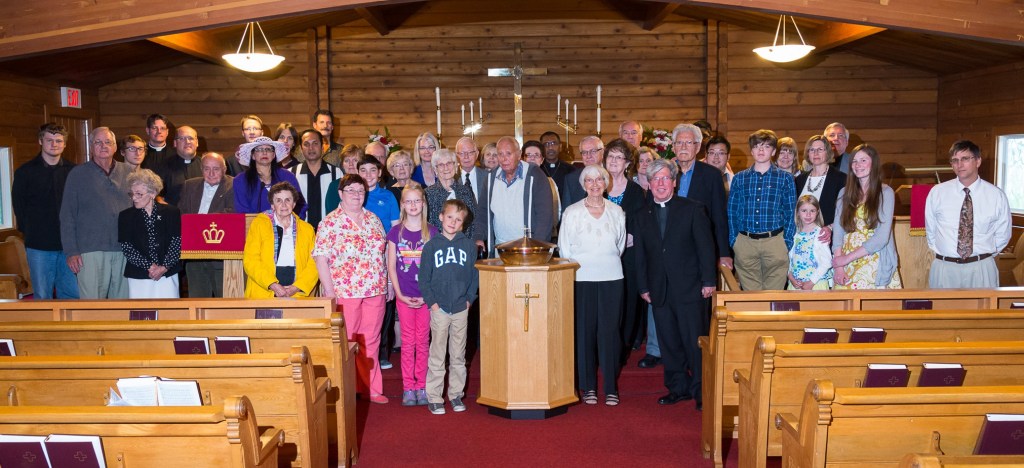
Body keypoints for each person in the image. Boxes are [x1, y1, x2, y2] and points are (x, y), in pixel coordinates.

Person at [633, 159, 716, 410]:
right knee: (669, 343)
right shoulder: (640, 215)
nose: (660, 183)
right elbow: (640, 255)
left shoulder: (692, 209)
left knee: (695, 343)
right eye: (655, 179)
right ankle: (678, 387)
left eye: (665, 178)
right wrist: (643, 286)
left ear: (674, 182)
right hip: (659, 290)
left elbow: (705, 248)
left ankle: (702, 391)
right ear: (648, 183)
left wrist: (709, 281)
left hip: (690, 288)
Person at [314, 174, 390, 404]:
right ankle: (347, 390)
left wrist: (387, 284)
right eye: (351, 190)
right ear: (340, 194)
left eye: (361, 190)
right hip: (345, 292)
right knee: (346, 341)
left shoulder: (374, 219)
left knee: (371, 340)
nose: (357, 195)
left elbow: (383, 252)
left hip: (375, 289)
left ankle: (372, 389)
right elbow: (320, 258)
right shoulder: (330, 222)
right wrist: (329, 290)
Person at [559, 165, 626, 406]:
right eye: (590, 180)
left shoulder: (617, 211)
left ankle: (610, 387)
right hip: (581, 278)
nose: (595, 184)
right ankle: (587, 387)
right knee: (585, 333)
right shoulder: (572, 212)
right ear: (583, 184)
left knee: (610, 333)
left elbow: (619, 245)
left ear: (606, 183)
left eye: (599, 179)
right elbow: (564, 248)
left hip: (611, 278)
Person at [419, 199, 479, 415]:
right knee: (437, 354)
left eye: (459, 219)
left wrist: (469, 299)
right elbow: (424, 279)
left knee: (458, 355)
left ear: (463, 224)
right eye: (450, 217)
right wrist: (433, 304)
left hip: (461, 308)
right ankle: (434, 396)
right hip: (440, 309)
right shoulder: (431, 246)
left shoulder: (469, 246)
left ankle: (455, 395)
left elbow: (474, 276)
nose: (453, 222)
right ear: (441, 217)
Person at [925, 140, 1011, 288]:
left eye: (965, 159)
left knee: (984, 311)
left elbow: (1003, 235)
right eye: (955, 160)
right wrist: (947, 253)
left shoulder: (996, 195)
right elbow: (931, 232)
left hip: (981, 268)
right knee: (943, 311)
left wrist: (982, 256)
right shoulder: (937, 192)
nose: (959, 164)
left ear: (978, 161)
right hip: (945, 268)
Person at [60, 127, 132, 299]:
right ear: (91, 147)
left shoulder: (129, 173)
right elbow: (67, 216)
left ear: (115, 147)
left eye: (108, 142)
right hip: (90, 251)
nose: (103, 146)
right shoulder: (77, 174)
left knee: (123, 305)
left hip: (124, 249)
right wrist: (71, 251)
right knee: (92, 305)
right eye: (98, 142)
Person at [12, 123, 79, 299]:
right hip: (39, 245)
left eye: (58, 141)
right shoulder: (25, 172)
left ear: (64, 144)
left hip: (69, 246)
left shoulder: (74, 172)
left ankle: (69, 328)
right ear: (41, 141)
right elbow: (19, 207)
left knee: (72, 294)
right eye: (49, 140)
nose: (54, 144)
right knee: (42, 296)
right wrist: (33, 231)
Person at [386, 184, 438, 407]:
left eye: (417, 201)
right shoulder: (395, 232)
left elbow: (437, 268)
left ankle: (423, 386)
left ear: (423, 204)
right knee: (408, 342)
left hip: (426, 297)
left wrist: (429, 296)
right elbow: (391, 265)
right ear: (402, 205)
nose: (413, 205)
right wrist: (399, 294)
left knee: (423, 341)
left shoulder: (432, 232)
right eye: (409, 201)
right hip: (404, 296)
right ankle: (409, 386)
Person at [728, 129, 796, 291]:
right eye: (757, 146)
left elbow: (790, 212)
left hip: (775, 241)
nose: (760, 150)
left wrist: (786, 242)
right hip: (745, 242)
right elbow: (732, 211)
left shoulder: (785, 178)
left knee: (773, 296)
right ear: (751, 150)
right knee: (751, 299)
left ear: (773, 151)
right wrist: (734, 240)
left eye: (766, 146)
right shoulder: (740, 178)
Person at [832, 144, 902, 289]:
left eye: (863, 160)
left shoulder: (885, 193)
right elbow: (838, 232)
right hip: (845, 264)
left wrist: (846, 258)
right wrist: (839, 265)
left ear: (874, 163)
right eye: (855, 161)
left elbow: (882, 237)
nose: (858, 165)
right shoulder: (844, 193)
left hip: (874, 261)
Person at [602, 139, 646, 358]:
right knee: (606, 302)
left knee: (627, 301)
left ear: (628, 163)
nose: (614, 161)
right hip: (600, 256)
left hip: (628, 256)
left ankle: (623, 347)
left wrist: (631, 237)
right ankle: (604, 345)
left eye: (619, 157)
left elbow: (641, 223)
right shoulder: (595, 187)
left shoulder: (636, 191)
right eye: (611, 156)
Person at [242, 182, 318, 298]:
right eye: (278, 200)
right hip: (264, 292)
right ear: (272, 205)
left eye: (288, 200)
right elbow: (251, 260)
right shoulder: (259, 224)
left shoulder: (307, 229)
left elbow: (314, 263)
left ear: (294, 203)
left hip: (297, 293)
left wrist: (296, 287)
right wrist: (273, 285)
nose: (283, 205)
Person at [481, 136, 555, 252]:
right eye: (500, 154)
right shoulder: (490, 179)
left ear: (519, 154)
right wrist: (479, 237)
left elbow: (545, 216)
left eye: (508, 154)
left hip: (529, 250)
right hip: (500, 249)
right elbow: (483, 212)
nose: (504, 159)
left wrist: (537, 247)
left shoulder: (535, 175)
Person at [177, 152, 234, 298]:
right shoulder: (189, 185)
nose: (211, 173)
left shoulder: (234, 185)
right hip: (194, 256)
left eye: (216, 169)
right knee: (197, 300)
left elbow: (232, 215)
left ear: (224, 169)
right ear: (201, 169)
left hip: (222, 256)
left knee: (225, 303)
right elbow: (181, 214)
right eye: (207, 169)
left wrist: (200, 224)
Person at [118, 169, 182, 298]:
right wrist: (150, 266)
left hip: (167, 274)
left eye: (139, 194)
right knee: (141, 314)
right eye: (132, 194)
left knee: (169, 313)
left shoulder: (172, 212)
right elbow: (127, 247)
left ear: (153, 193)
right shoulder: (125, 216)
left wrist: (164, 267)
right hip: (139, 275)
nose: (134, 198)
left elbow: (176, 243)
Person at [233, 136, 306, 217]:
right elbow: (242, 212)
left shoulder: (287, 176)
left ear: (274, 155)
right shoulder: (240, 180)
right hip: (254, 227)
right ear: (253, 155)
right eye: (259, 149)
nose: (265, 153)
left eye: (268, 149)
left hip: (286, 227)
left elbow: (300, 205)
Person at [425, 149, 483, 243]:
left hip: (464, 245)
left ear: (456, 166)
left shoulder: (466, 191)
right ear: (435, 169)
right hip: (437, 246)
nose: (446, 168)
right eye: (441, 165)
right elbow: (428, 225)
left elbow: (473, 222)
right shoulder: (428, 193)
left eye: (449, 163)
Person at [289, 129, 342, 230]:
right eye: (306, 144)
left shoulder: (337, 173)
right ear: (301, 148)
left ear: (322, 147)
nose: (311, 148)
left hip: (329, 233)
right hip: (300, 234)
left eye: (315, 143)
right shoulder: (291, 173)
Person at [795, 135, 846, 229]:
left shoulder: (841, 179)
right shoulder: (799, 180)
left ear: (828, 152)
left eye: (820, 149)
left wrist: (830, 228)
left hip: (827, 237)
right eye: (812, 150)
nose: (815, 153)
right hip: (800, 236)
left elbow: (846, 212)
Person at [787, 195, 833, 290]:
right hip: (795, 285)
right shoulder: (793, 234)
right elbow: (789, 260)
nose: (808, 215)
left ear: (817, 212)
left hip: (816, 285)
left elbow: (827, 261)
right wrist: (790, 276)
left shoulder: (820, 234)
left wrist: (811, 282)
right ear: (798, 212)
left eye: (812, 211)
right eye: (804, 211)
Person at [158, 126, 203, 205]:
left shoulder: (206, 165)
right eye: (182, 138)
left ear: (197, 142)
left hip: (201, 215)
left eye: (191, 138)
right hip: (174, 214)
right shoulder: (163, 166)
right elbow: (157, 195)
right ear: (175, 143)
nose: (187, 142)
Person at [523, 140, 561, 232]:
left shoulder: (549, 182)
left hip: (541, 233)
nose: (532, 158)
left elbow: (556, 212)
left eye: (536, 155)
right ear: (522, 159)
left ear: (542, 160)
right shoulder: (516, 180)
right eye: (528, 155)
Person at [561, 136, 604, 211]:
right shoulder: (571, 179)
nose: (588, 156)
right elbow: (566, 212)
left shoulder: (611, 176)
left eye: (593, 151)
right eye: (584, 152)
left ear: (602, 152)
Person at [455, 137, 488, 207]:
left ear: (477, 154)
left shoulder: (487, 177)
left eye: (470, 152)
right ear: (456, 155)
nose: (466, 157)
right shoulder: (452, 178)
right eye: (462, 153)